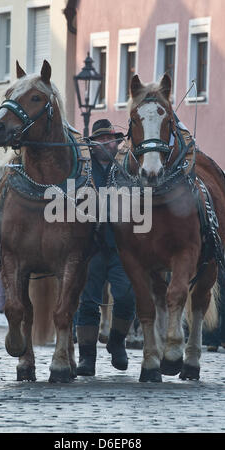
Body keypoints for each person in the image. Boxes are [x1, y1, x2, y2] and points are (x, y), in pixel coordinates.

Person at [76, 119, 136, 376]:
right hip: (91, 247)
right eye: (101, 139)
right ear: (93, 145)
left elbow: (136, 201)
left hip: (120, 245)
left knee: (126, 296)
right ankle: (87, 356)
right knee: (88, 302)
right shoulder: (81, 172)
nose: (107, 143)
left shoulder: (126, 170)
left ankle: (117, 342)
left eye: (110, 139)